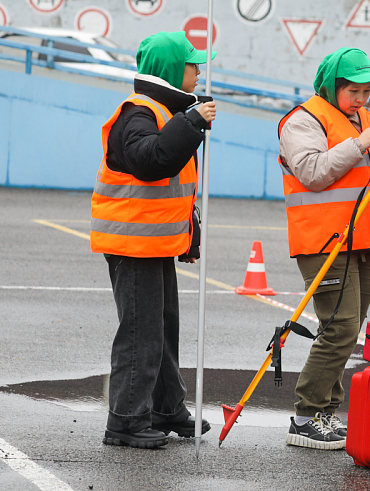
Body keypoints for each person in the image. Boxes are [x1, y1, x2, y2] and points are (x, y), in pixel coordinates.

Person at [90, 31, 217, 449]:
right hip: (133, 243)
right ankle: (125, 420)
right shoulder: (139, 113)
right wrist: (192, 123)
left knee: (163, 328)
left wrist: (188, 120)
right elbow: (150, 162)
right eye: (192, 64)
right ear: (168, 69)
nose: (198, 72)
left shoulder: (165, 110)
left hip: (155, 243)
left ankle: (165, 408)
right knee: (141, 332)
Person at [277, 47, 370, 450]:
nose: (361, 99)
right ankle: (305, 416)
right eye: (353, 90)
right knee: (339, 328)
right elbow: (312, 172)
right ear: (331, 86)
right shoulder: (303, 120)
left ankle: (325, 412)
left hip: (365, 240)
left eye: (367, 91)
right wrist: (360, 143)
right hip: (325, 240)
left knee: (347, 329)